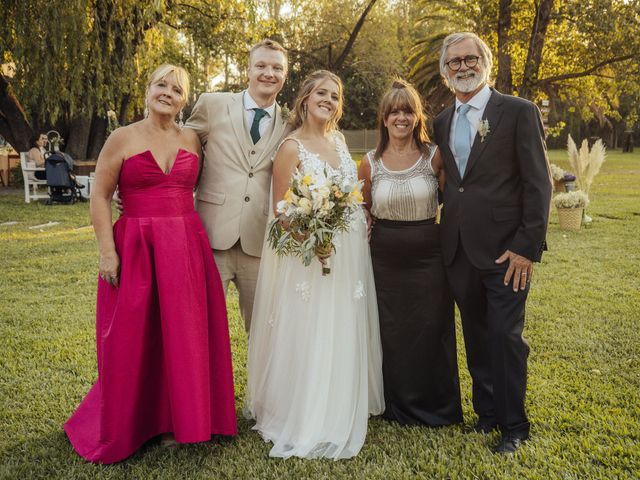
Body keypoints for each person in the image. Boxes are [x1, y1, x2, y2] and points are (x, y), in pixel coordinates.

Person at [64, 64, 237, 464]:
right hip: (136, 247)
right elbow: (102, 197)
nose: (168, 93)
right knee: (132, 337)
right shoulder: (121, 137)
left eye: (177, 89)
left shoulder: (194, 139)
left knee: (183, 335)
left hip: (186, 247)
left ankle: (182, 420)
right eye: (162, 85)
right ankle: (134, 423)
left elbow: (196, 189)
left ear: (184, 100)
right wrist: (108, 252)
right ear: (147, 89)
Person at [246, 70, 384, 459]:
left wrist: (361, 217)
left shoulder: (339, 142)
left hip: (349, 253)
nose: (329, 100)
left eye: (335, 96)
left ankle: (339, 402)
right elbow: (280, 211)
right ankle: (307, 413)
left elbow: (351, 195)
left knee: (341, 323)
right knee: (311, 327)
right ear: (305, 98)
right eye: (321, 93)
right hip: (310, 255)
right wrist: (314, 240)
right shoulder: (291, 147)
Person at [433, 32, 552, 453]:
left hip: (507, 251)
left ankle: (514, 426)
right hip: (459, 249)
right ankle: (486, 416)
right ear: (445, 72)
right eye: (454, 63)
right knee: (477, 336)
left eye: (470, 59)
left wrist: (527, 246)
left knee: (505, 337)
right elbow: (454, 186)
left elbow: (539, 184)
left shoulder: (518, 112)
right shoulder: (442, 121)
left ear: (486, 63)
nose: (463, 67)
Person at [358, 79, 462, 426]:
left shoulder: (434, 156)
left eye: (407, 111)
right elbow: (364, 209)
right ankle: (395, 406)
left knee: (432, 326)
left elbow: (454, 205)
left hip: (429, 255)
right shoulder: (370, 163)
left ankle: (436, 407)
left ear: (417, 117)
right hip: (384, 258)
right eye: (394, 112)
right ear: (384, 119)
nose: (400, 118)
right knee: (391, 330)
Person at [186, 39, 290, 333]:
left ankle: (260, 382)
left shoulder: (291, 124)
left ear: (285, 75)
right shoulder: (212, 105)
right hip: (211, 237)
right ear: (248, 70)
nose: (268, 73)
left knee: (263, 334)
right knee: (201, 329)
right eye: (261, 66)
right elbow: (178, 147)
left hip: (260, 244)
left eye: (276, 68)